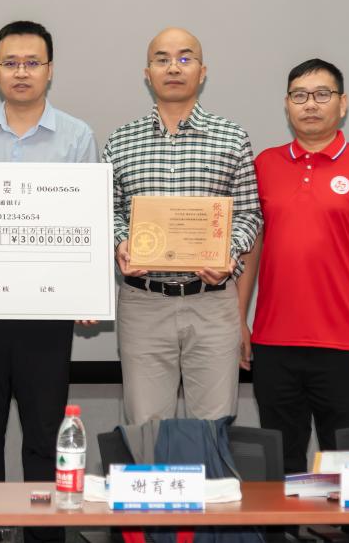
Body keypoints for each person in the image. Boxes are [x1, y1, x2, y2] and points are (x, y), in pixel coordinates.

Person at [0, 20, 99, 484]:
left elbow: (87, 220)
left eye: (32, 62)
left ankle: (43, 523)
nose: (21, 72)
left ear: (49, 70)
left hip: (46, 310)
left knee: (44, 437)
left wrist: (87, 291)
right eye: (10, 63)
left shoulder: (77, 135)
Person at [238, 58, 349, 474]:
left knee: (342, 463)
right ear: (286, 105)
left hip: (343, 342)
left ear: (342, 104)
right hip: (274, 342)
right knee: (282, 465)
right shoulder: (264, 165)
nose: (310, 104)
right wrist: (238, 320)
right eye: (299, 96)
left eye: (322, 94)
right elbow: (250, 250)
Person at [103, 27, 262, 424]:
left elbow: (249, 214)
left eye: (185, 58)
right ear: (147, 73)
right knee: (146, 430)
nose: (174, 67)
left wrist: (226, 253)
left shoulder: (232, 138)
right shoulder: (120, 141)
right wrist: (122, 241)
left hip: (212, 302)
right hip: (144, 303)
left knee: (213, 429)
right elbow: (108, 210)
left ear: (202, 72)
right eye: (162, 59)